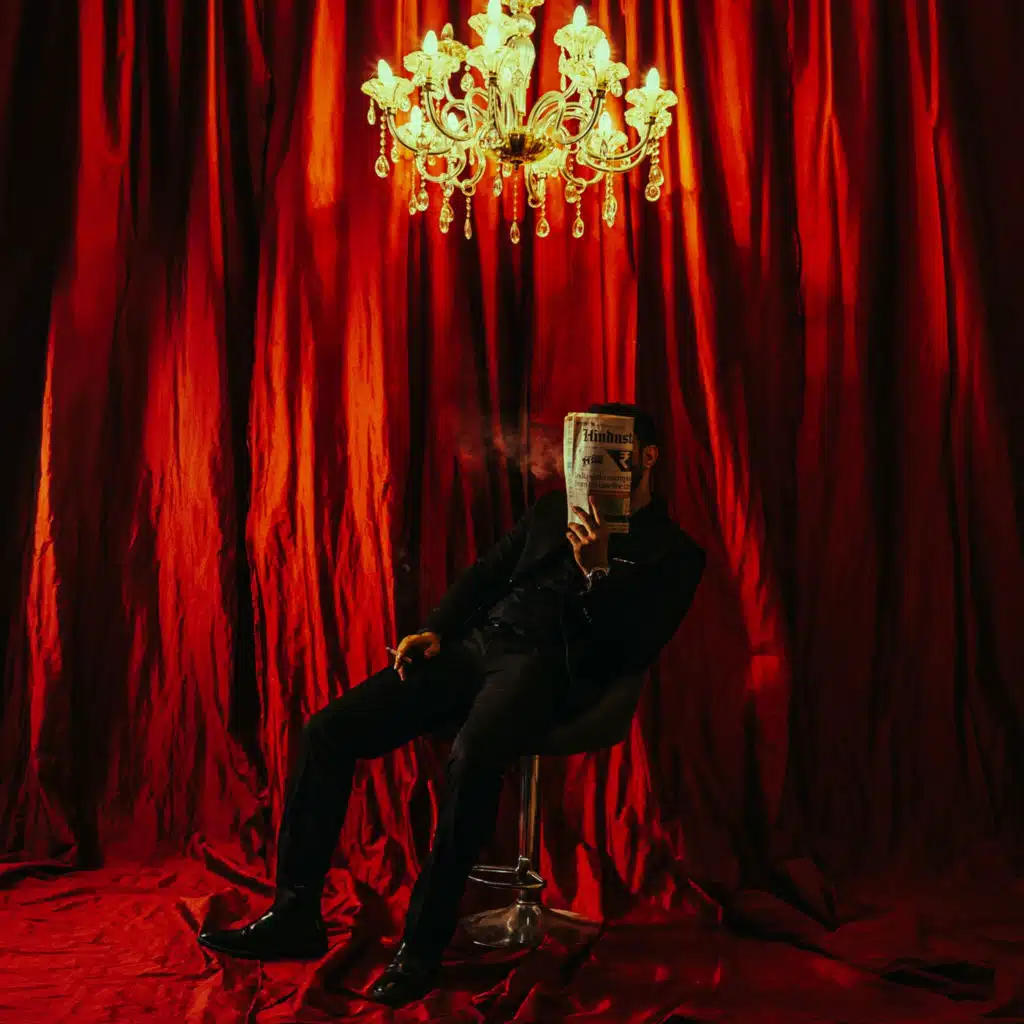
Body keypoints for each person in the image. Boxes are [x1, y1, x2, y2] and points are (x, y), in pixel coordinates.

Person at [198, 403, 706, 1007]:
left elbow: (629, 651)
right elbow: (486, 573)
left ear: (645, 458)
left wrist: (596, 576)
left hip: (548, 670)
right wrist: (436, 629)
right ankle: (294, 914)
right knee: (327, 730)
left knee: (472, 760)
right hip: (475, 647)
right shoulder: (552, 511)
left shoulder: (673, 553)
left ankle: (421, 947)